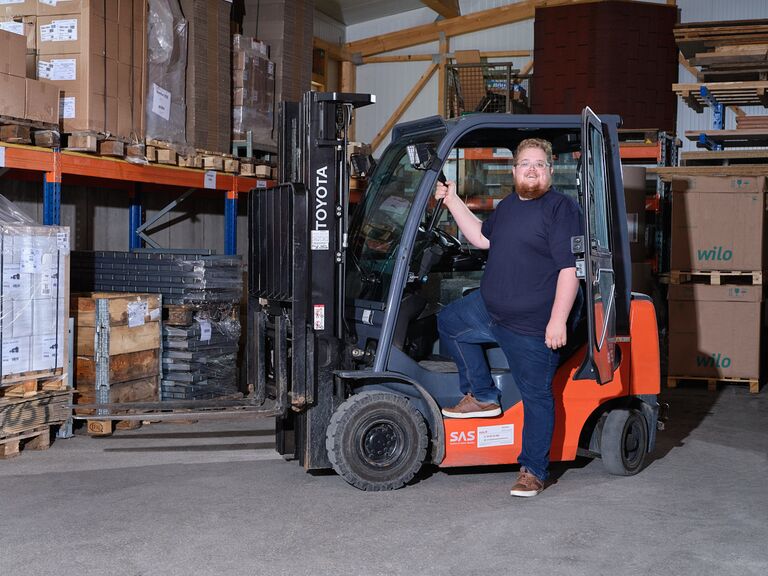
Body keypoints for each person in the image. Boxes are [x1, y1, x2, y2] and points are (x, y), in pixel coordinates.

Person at [435, 138, 581, 497]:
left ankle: (533, 469)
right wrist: (452, 200)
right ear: (515, 171)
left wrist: (557, 320)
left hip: (532, 326)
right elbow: (482, 239)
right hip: (490, 310)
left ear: (549, 171)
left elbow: (569, 269)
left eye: (539, 164)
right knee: (450, 321)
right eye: (525, 163)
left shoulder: (561, 209)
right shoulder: (509, 205)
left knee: (537, 397)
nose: (532, 170)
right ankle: (482, 393)